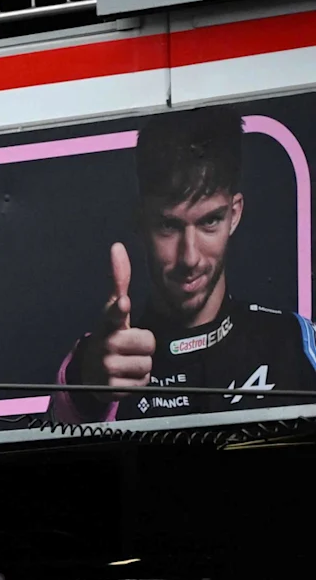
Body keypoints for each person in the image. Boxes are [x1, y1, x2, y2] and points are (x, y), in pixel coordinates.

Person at [56, 109, 316, 422]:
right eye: (169, 226)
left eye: (210, 221)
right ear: (141, 221)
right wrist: (89, 388)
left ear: (234, 214)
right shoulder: (110, 359)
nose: (189, 257)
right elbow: (54, 454)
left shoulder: (296, 343)